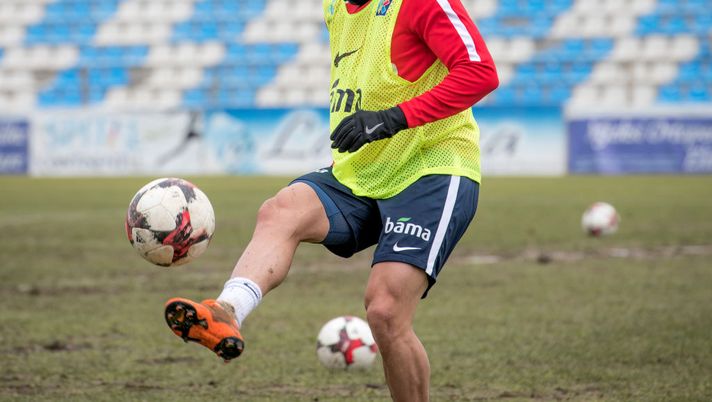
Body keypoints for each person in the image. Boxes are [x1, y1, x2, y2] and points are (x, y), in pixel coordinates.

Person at [163, 0, 498, 400]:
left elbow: (481, 72)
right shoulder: (335, 7)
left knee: (385, 312)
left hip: (434, 169)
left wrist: (393, 117)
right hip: (361, 170)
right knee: (280, 210)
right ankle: (226, 312)